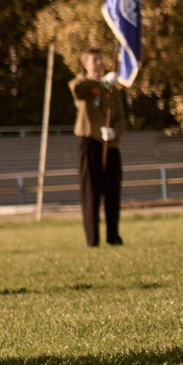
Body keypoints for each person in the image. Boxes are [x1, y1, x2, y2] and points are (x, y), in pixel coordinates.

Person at [71, 48, 125, 247]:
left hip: (110, 145)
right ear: (86, 64)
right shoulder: (82, 84)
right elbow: (77, 89)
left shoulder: (113, 90)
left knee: (112, 192)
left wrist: (114, 132)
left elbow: (121, 118)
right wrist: (101, 83)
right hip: (90, 144)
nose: (100, 63)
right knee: (91, 193)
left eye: (102, 59)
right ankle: (92, 240)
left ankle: (114, 236)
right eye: (95, 60)